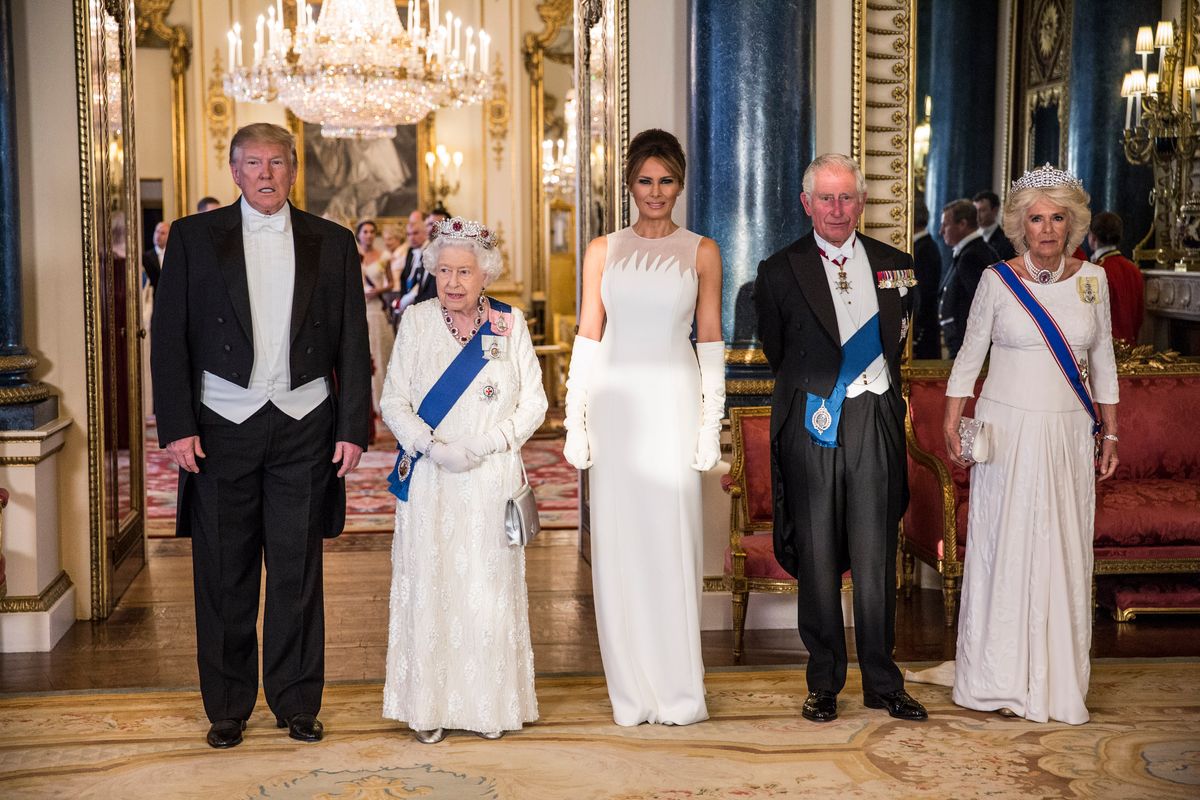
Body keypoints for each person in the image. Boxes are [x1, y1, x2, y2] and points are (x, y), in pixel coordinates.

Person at [151, 122, 371, 749]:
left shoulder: (332, 242)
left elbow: (353, 343)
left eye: (277, 162)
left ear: (294, 170)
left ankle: (297, 701)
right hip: (222, 426)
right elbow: (169, 340)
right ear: (234, 170)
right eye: (253, 163)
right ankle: (227, 706)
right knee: (224, 571)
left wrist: (353, 426)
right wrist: (177, 426)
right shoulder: (194, 239)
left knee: (298, 571)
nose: (266, 174)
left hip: (306, 423)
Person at [943, 164, 1119, 724]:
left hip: (1068, 429)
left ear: (1072, 225)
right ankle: (995, 676)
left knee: (1061, 546)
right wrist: (953, 420)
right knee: (1007, 544)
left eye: (1057, 218)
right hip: (1009, 430)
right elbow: (969, 356)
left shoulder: (1094, 280)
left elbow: (1105, 362)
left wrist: (1109, 431)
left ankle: (1055, 680)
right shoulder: (998, 279)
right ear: (1020, 226)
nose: (1046, 229)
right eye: (1036, 219)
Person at [755, 153, 927, 724]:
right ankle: (824, 681)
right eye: (825, 198)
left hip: (875, 420)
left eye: (847, 197)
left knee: (876, 555)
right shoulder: (779, 270)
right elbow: (780, 353)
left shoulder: (896, 266)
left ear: (862, 202)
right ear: (806, 203)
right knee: (820, 554)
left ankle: (883, 681)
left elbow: (902, 340)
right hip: (814, 423)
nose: (836, 208)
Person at [562, 128, 724, 726]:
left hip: (675, 406)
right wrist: (575, 420)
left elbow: (710, 341)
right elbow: (587, 337)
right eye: (644, 181)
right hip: (617, 410)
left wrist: (710, 427)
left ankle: (680, 693)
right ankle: (630, 694)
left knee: (672, 546)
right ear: (629, 185)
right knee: (620, 549)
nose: (655, 192)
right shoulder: (601, 249)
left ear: (680, 185)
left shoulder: (703, 250)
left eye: (666, 181)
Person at [380, 216, 547, 743]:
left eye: (465, 272)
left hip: (489, 477)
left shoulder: (508, 323)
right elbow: (393, 401)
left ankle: (487, 706)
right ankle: (428, 706)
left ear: (486, 275)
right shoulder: (416, 320)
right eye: (444, 270)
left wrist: (483, 444)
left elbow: (535, 403)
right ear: (432, 272)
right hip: (432, 480)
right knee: (433, 589)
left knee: (486, 589)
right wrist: (431, 447)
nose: (453, 282)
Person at [938, 199, 999, 358]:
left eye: (946, 224)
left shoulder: (972, 256)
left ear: (962, 224)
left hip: (967, 347)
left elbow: (982, 307)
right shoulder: (970, 251)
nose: (941, 231)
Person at [1086, 212, 1144, 344]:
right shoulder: (1134, 269)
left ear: (1093, 238)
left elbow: (1090, 318)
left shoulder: (1094, 271)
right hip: (1130, 349)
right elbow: (1139, 316)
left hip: (1104, 350)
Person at [357, 219, 395, 415]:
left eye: (372, 232)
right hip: (361, 310)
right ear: (359, 234)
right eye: (365, 232)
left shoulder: (384, 256)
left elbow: (392, 283)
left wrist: (377, 290)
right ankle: (366, 406)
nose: (369, 235)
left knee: (380, 357)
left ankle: (382, 403)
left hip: (377, 309)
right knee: (364, 357)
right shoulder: (354, 254)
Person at [911, 202, 943, 358]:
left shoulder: (924, 250)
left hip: (923, 333)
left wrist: (915, 335)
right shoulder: (923, 247)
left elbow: (922, 295)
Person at [973, 191, 1017, 261]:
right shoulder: (971, 236)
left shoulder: (1006, 242)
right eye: (975, 210)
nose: (977, 215)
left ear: (995, 210)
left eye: (982, 210)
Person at [141, 221, 169, 291]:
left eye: (162, 233)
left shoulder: (174, 256)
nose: (158, 235)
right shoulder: (145, 257)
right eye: (157, 231)